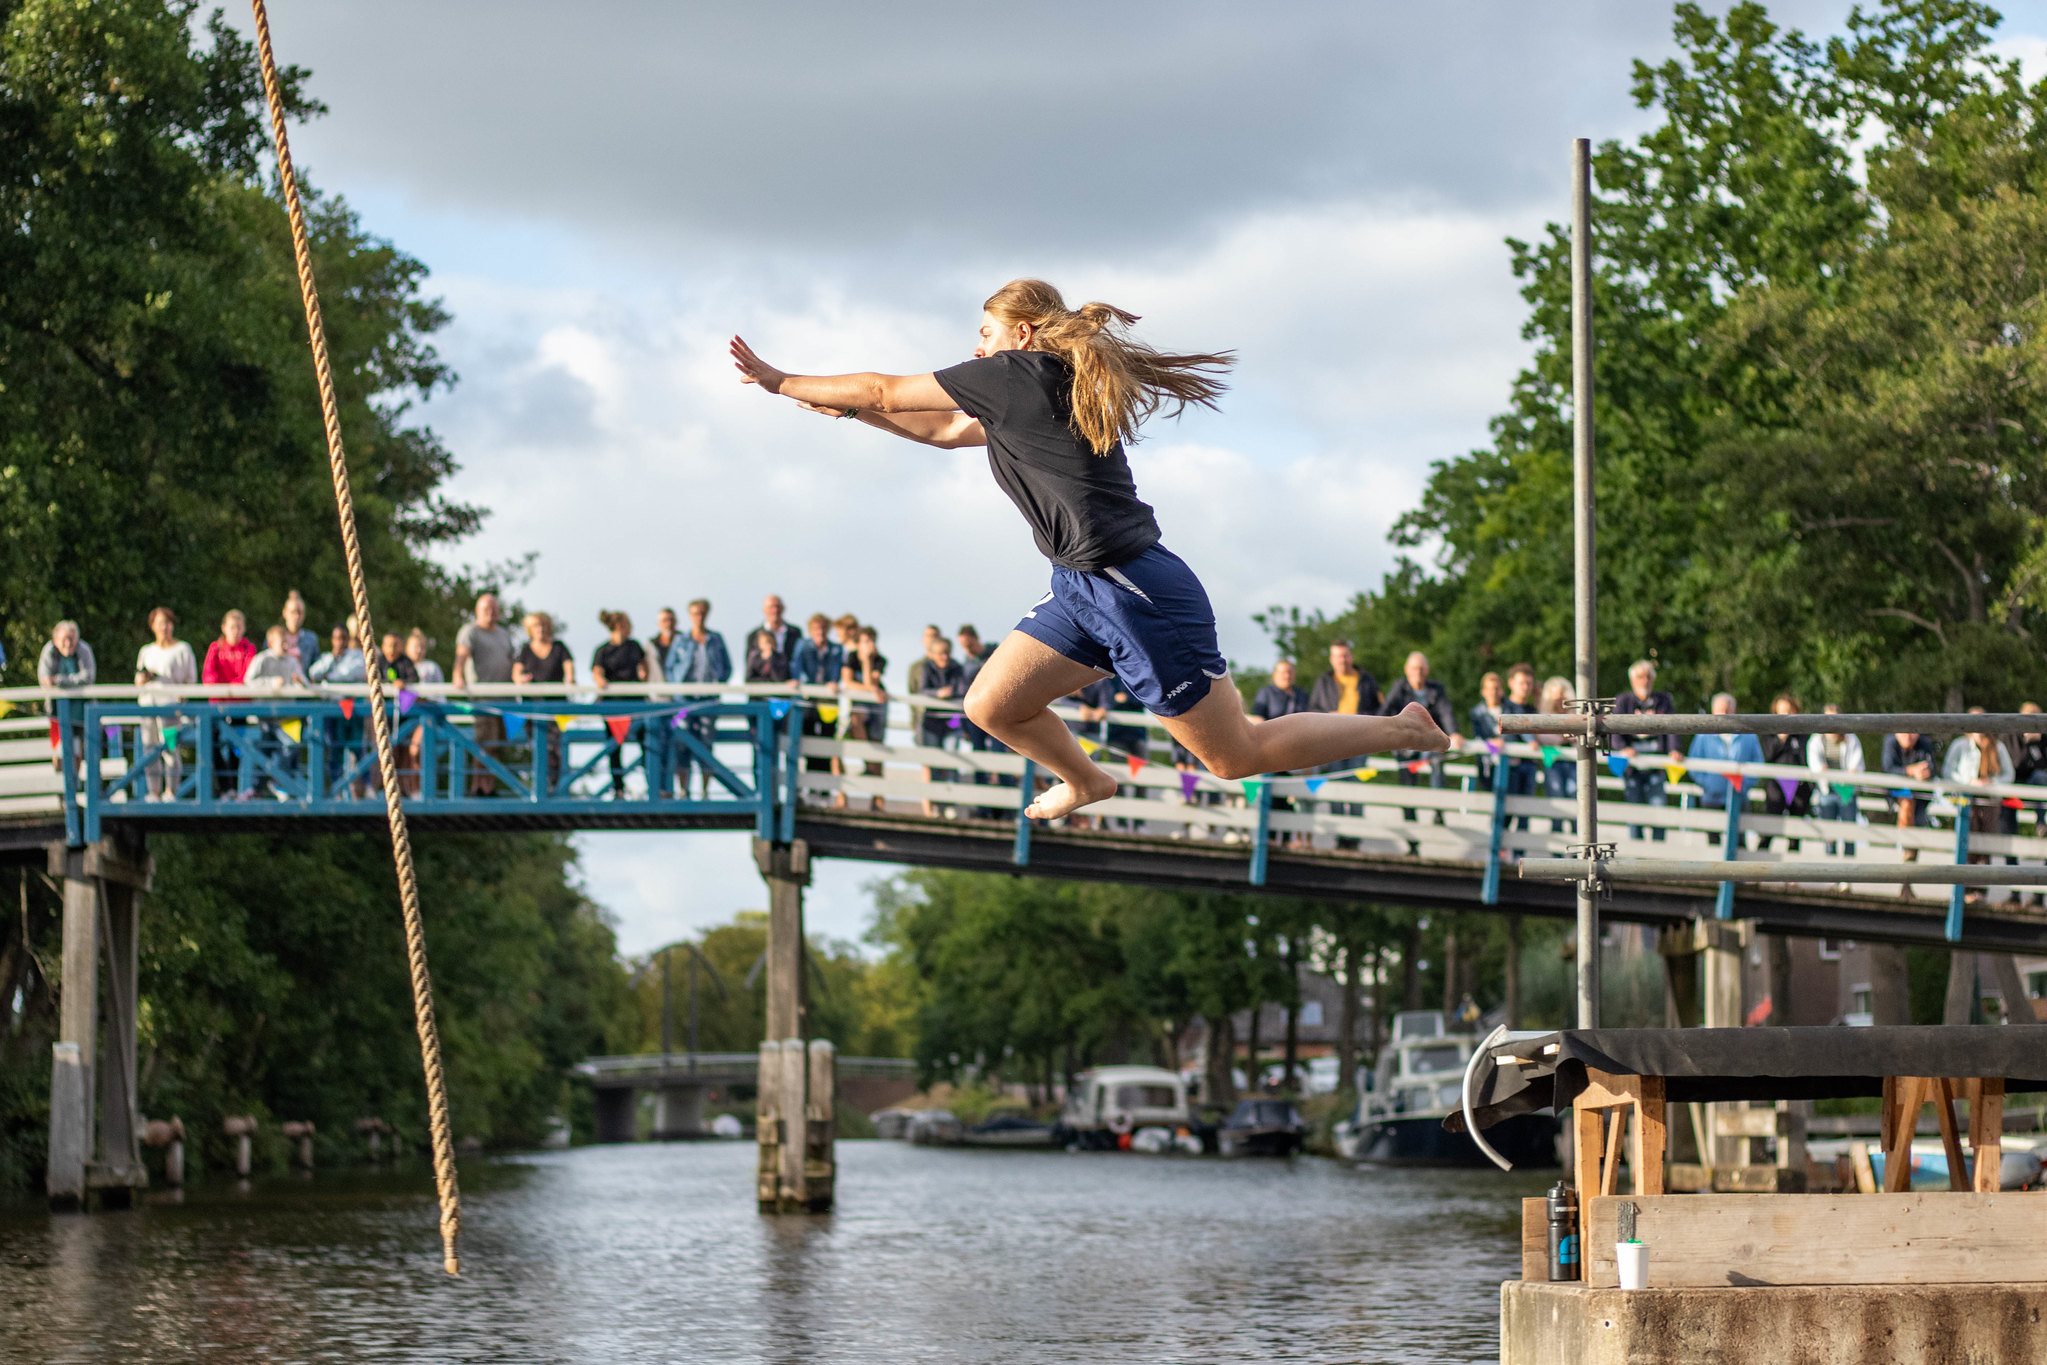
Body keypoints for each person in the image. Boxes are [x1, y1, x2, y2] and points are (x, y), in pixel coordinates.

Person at [730, 279, 1447, 821]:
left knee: (1236, 756)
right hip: (1080, 585)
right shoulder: (1029, 392)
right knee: (992, 705)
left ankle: (1400, 729)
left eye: (984, 331)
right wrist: (854, 412)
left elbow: (889, 388)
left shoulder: (1015, 375)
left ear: (1020, 332)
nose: (975, 347)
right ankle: (1085, 780)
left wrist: (778, 379)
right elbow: (939, 431)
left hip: (1136, 591)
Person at [1380, 651, 1458, 823]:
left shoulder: (1436, 689)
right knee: (1407, 785)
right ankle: (1412, 832)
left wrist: (1454, 733)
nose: (1418, 672)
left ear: (1427, 671)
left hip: (1429, 742)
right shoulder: (1399, 688)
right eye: (1415, 668)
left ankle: (1438, 810)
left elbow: (1446, 713)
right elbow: (1386, 712)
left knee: (1437, 762)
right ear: (1407, 670)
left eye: (1422, 668)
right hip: (1406, 743)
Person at [453, 593, 518, 796]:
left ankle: (489, 785)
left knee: (496, 745)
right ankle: (478, 786)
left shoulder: (503, 634)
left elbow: (511, 659)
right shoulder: (470, 631)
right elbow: (462, 655)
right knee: (484, 743)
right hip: (483, 698)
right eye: (486, 609)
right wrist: (457, 675)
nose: (490, 612)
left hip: (505, 699)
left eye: (493, 609)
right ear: (477, 611)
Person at [665, 599, 730, 798]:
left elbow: (727, 667)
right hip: (683, 700)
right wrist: (677, 687)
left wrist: (719, 680)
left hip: (708, 699)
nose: (698, 617)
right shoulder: (682, 640)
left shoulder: (715, 639)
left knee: (706, 742)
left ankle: (704, 789)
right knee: (682, 742)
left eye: (701, 612)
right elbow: (670, 667)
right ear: (689, 615)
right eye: (694, 613)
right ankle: (683, 789)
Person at [135, 607, 197, 799]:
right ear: (153, 626)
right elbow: (137, 679)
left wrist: (181, 697)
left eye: (168, 623)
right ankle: (153, 791)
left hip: (170, 707)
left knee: (170, 748)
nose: (164, 627)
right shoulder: (146, 650)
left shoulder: (182, 649)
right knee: (149, 749)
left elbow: (190, 678)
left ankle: (171, 790)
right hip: (148, 705)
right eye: (160, 623)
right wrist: (145, 677)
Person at [1611, 659, 1675, 841]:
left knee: (1659, 811)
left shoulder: (1663, 701)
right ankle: (1636, 855)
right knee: (1634, 813)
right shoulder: (1623, 701)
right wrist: (1623, 748)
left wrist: (1674, 750)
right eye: (1640, 677)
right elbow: (1613, 730)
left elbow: (1673, 729)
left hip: (1656, 765)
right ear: (1632, 680)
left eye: (1648, 677)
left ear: (1653, 680)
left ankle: (1658, 855)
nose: (1644, 681)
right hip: (1632, 768)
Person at [590, 611, 650, 799]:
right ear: (619, 626)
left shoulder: (634, 646)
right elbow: (597, 671)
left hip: (635, 703)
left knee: (646, 743)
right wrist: (600, 680)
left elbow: (644, 665)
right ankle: (618, 787)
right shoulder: (603, 650)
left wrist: (643, 676)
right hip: (613, 705)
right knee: (614, 747)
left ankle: (651, 784)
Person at [514, 612, 574, 792]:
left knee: (554, 747)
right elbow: (516, 672)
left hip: (556, 707)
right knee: (538, 747)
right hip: (533, 707)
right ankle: (541, 785)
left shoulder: (559, 647)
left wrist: (570, 679)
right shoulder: (525, 649)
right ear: (530, 630)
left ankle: (554, 786)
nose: (540, 629)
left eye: (543, 625)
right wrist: (520, 679)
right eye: (536, 626)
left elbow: (569, 667)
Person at [245, 625, 308, 796]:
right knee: (263, 752)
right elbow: (248, 681)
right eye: (283, 643)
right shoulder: (262, 659)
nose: (286, 646)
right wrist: (271, 683)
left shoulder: (292, 661)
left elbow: (305, 682)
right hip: (265, 716)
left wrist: (300, 682)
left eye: (288, 642)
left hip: (286, 717)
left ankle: (278, 781)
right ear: (272, 643)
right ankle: (256, 789)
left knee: (291, 747)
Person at [310, 621, 368, 795]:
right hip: (333, 710)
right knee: (334, 749)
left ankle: (367, 786)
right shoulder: (327, 657)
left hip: (353, 707)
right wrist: (331, 662)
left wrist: (330, 678)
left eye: (343, 638)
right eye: (336, 638)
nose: (340, 642)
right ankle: (337, 789)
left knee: (358, 748)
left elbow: (355, 673)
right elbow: (313, 673)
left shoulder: (356, 656)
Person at [1687, 693, 1764, 820]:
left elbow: (1758, 762)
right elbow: (1693, 762)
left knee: (1739, 838)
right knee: (1712, 838)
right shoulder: (1703, 735)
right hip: (1711, 798)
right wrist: (1707, 784)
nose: (1724, 713)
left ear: (1734, 711)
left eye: (1727, 710)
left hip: (1740, 796)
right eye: (1720, 710)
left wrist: (1745, 784)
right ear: (1713, 711)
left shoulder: (1748, 735)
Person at [839, 627, 888, 810]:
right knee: (856, 720)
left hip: (876, 707)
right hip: (859, 705)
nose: (870, 645)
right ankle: (866, 762)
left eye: (872, 641)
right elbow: (848, 682)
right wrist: (870, 689)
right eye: (866, 641)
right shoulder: (851, 657)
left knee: (877, 748)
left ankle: (877, 800)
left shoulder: (880, 660)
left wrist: (867, 662)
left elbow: (871, 683)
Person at [39, 620, 97, 773]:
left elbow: (88, 677)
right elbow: (44, 679)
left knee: (77, 751)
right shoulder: (49, 651)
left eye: (71, 639)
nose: (68, 643)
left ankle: (73, 786)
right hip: (56, 711)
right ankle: (61, 790)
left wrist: (59, 680)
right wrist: (73, 681)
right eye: (64, 639)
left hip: (79, 712)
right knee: (58, 751)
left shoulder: (83, 650)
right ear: (56, 639)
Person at [1807, 703, 1865, 856]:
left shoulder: (1851, 739)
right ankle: (1830, 872)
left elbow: (1856, 766)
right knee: (1829, 833)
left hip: (1847, 790)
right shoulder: (1816, 740)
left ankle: (1848, 873)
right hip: (1827, 789)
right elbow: (1816, 766)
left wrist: (1838, 776)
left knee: (1849, 833)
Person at [1758, 693, 1812, 850]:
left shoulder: (1803, 734)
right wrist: (1781, 738)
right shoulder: (1769, 733)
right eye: (1781, 712)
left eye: (1789, 711)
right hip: (1776, 785)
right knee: (1770, 826)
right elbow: (1767, 755)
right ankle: (1759, 859)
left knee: (1795, 833)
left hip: (1799, 786)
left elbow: (1807, 759)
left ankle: (1793, 869)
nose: (1785, 716)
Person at [1882, 730, 1938, 829]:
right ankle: (1905, 842)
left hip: (1920, 795)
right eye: (1904, 733)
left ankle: (1906, 841)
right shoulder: (1890, 742)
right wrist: (1911, 771)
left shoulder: (1924, 743)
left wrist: (1926, 772)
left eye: (1911, 733)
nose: (1908, 737)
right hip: (1896, 791)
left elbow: (1933, 768)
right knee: (1907, 802)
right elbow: (1888, 768)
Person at [1467, 670, 1506, 788]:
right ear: (1483, 692)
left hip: (1508, 762)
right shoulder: (1477, 713)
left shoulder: (1510, 709)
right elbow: (1477, 735)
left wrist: (1503, 740)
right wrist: (1491, 744)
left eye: (1496, 688)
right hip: (1487, 762)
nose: (1493, 692)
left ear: (1501, 691)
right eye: (1489, 688)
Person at [280, 590, 319, 678]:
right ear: (285, 613)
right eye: (293, 612)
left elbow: (315, 670)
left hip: (303, 687)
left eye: (300, 613)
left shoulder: (311, 639)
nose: (297, 616)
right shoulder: (275, 637)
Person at [758, 595, 801, 662]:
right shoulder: (754, 636)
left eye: (777, 606)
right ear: (764, 610)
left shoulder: (795, 633)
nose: (775, 610)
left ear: (783, 609)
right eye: (771, 607)